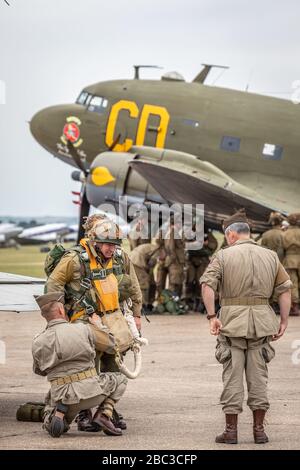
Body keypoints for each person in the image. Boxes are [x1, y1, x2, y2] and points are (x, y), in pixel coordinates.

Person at [200, 211, 292, 444]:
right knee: (259, 377)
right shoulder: (270, 256)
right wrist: (283, 320)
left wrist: (212, 316)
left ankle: (231, 432)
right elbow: (284, 289)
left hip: (231, 323)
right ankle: (259, 431)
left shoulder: (222, 256)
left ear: (231, 235)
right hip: (262, 323)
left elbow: (207, 285)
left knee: (232, 375)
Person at [44, 214, 142, 431]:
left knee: (114, 367)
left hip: (112, 320)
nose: (111, 248)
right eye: (107, 244)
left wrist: (136, 316)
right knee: (88, 371)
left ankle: (105, 412)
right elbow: (53, 285)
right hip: (82, 321)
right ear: (94, 240)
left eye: (114, 244)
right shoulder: (74, 259)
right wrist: (58, 320)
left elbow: (133, 286)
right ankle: (83, 415)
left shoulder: (120, 257)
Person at [32, 292, 127, 438]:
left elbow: (39, 371)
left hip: (62, 396)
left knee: (50, 400)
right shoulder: (83, 329)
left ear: (43, 315)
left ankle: (57, 416)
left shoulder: (38, 342)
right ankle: (104, 414)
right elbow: (111, 344)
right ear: (61, 310)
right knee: (120, 379)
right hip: (91, 392)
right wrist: (99, 326)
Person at [185, 231, 218, 310]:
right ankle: (189, 301)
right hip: (191, 261)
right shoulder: (189, 232)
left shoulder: (207, 233)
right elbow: (185, 245)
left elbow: (213, 245)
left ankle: (201, 302)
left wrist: (205, 244)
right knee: (189, 281)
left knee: (201, 281)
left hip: (202, 262)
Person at [129, 242, 160, 312]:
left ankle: (147, 304)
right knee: (144, 284)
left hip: (133, 259)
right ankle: (142, 306)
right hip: (137, 262)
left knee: (149, 282)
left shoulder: (153, 247)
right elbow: (151, 263)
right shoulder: (158, 251)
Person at [283, 213, 300, 316]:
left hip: (290, 259)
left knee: (292, 284)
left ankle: (295, 307)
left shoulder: (285, 233)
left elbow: (282, 248)